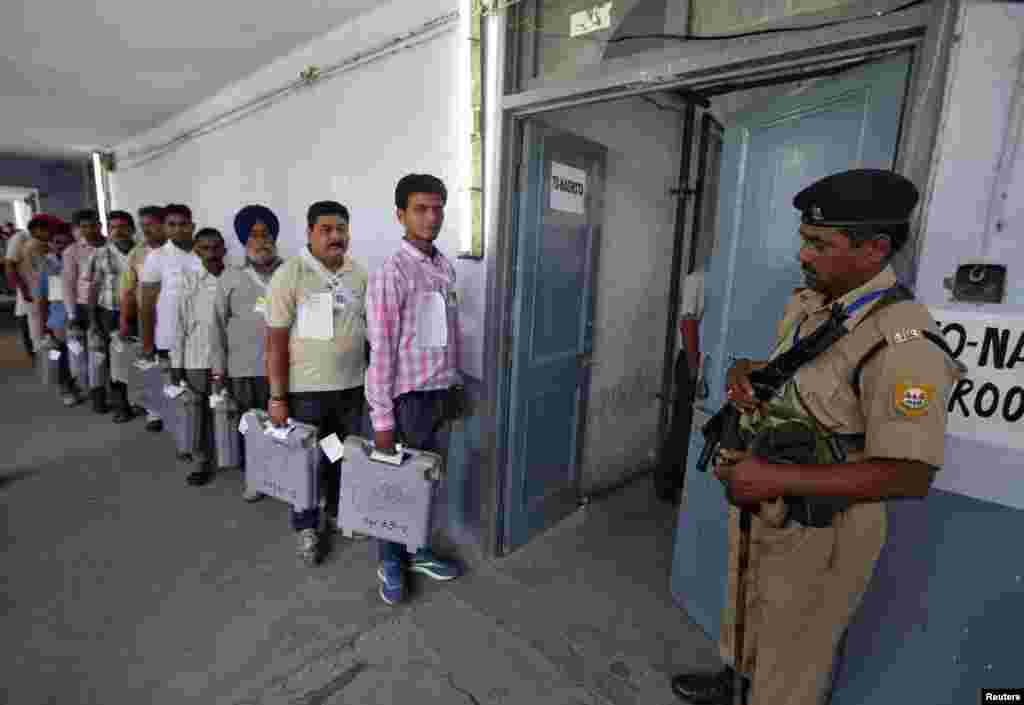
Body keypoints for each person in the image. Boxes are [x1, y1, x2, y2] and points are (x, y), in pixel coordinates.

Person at [669, 170, 962, 705]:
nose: (803, 255)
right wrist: (748, 370)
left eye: (819, 244)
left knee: (795, 650)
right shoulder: (813, 302)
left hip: (824, 526)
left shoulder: (906, 343)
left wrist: (771, 477)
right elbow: (810, 376)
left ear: (873, 249)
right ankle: (737, 683)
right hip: (770, 502)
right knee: (748, 601)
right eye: (805, 240)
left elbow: (912, 473)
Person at [365, 174, 464, 606]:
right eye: (421, 209)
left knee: (425, 483)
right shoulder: (392, 273)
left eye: (438, 208)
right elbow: (381, 351)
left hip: (441, 393)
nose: (431, 217)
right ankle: (389, 560)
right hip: (408, 402)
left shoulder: (444, 267)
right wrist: (383, 420)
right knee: (395, 487)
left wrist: (454, 381)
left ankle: (418, 550)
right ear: (400, 214)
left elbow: (448, 333)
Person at [265, 201, 369, 565]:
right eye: (326, 229)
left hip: (351, 391)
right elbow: (275, 342)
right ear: (309, 232)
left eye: (341, 228)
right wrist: (277, 397)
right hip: (306, 394)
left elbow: (370, 333)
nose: (336, 236)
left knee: (340, 454)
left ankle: (340, 511)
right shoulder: (290, 274)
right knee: (306, 461)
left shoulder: (359, 274)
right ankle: (306, 525)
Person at [209, 205, 283, 502]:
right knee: (251, 427)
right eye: (253, 235)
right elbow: (216, 326)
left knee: (283, 427)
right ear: (243, 240)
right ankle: (255, 478)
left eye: (266, 234)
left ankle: (284, 478)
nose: (261, 240)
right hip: (244, 368)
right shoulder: (230, 277)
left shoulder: (289, 272)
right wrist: (219, 371)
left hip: (286, 368)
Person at [171, 227, 227, 487]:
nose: (212, 253)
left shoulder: (235, 278)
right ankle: (201, 461)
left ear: (224, 249)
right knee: (199, 414)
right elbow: (179, 326)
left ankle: (236, 458)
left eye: (216, 247)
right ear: (197, 251)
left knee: (231, 410)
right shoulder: (188, 281)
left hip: (230, 360)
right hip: (197, 359)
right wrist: (176, 366)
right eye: (205, 248)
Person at [139, 203, 201, 388]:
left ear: (192, 226)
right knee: (174, 389)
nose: (178, 229)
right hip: (170, 336)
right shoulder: (156, 257)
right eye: (171, 224)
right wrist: (148, 344)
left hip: (202, 336)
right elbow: (147, 305)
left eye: (183, 224)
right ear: (164, 228)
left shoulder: (204, 252)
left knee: (200, 389)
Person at [120, 205, 169, 430]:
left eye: (151, 224)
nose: (146, 229)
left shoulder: (178, 250)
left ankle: (176, 408)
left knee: (174, 365)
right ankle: (154, 412)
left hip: (177, 318)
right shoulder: (137, 253)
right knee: (150, 363)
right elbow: (128, 290)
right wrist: (124, 320)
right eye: (143, 225)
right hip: (148, 317)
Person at [85, 210, 137, 421]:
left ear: (132, 229)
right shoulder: (100, 254)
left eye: (123, 227)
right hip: (110, 313)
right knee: (115, 363)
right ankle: (121, 406)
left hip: (140, 313)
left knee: (142, 358)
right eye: (113, 227)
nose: (118, 231)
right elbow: (93, 288)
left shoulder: (143, 252)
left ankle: (148, 404)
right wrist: (92, 320)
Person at [34, 223, 85, 406]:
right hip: (58, 318)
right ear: (51, 244)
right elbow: (41, 299)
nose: (61, 246)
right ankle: (65, 388)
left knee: (79, 353)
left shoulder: (80, 260)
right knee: (61, 353)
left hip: (80, 314)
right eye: (57, 242)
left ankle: (77, 383)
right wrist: (43, 327)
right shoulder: (47, 266)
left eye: (66, 242)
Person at [5, 214, 56, 358]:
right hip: (38, 292)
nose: (51, 233)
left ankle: (45, 359)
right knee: (42, 327)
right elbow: (45, 269)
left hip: (35, 292)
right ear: (36, 230)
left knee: (37, 326)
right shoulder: (35, 245)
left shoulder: (33, 244)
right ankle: (49, 360)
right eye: (48, 230)